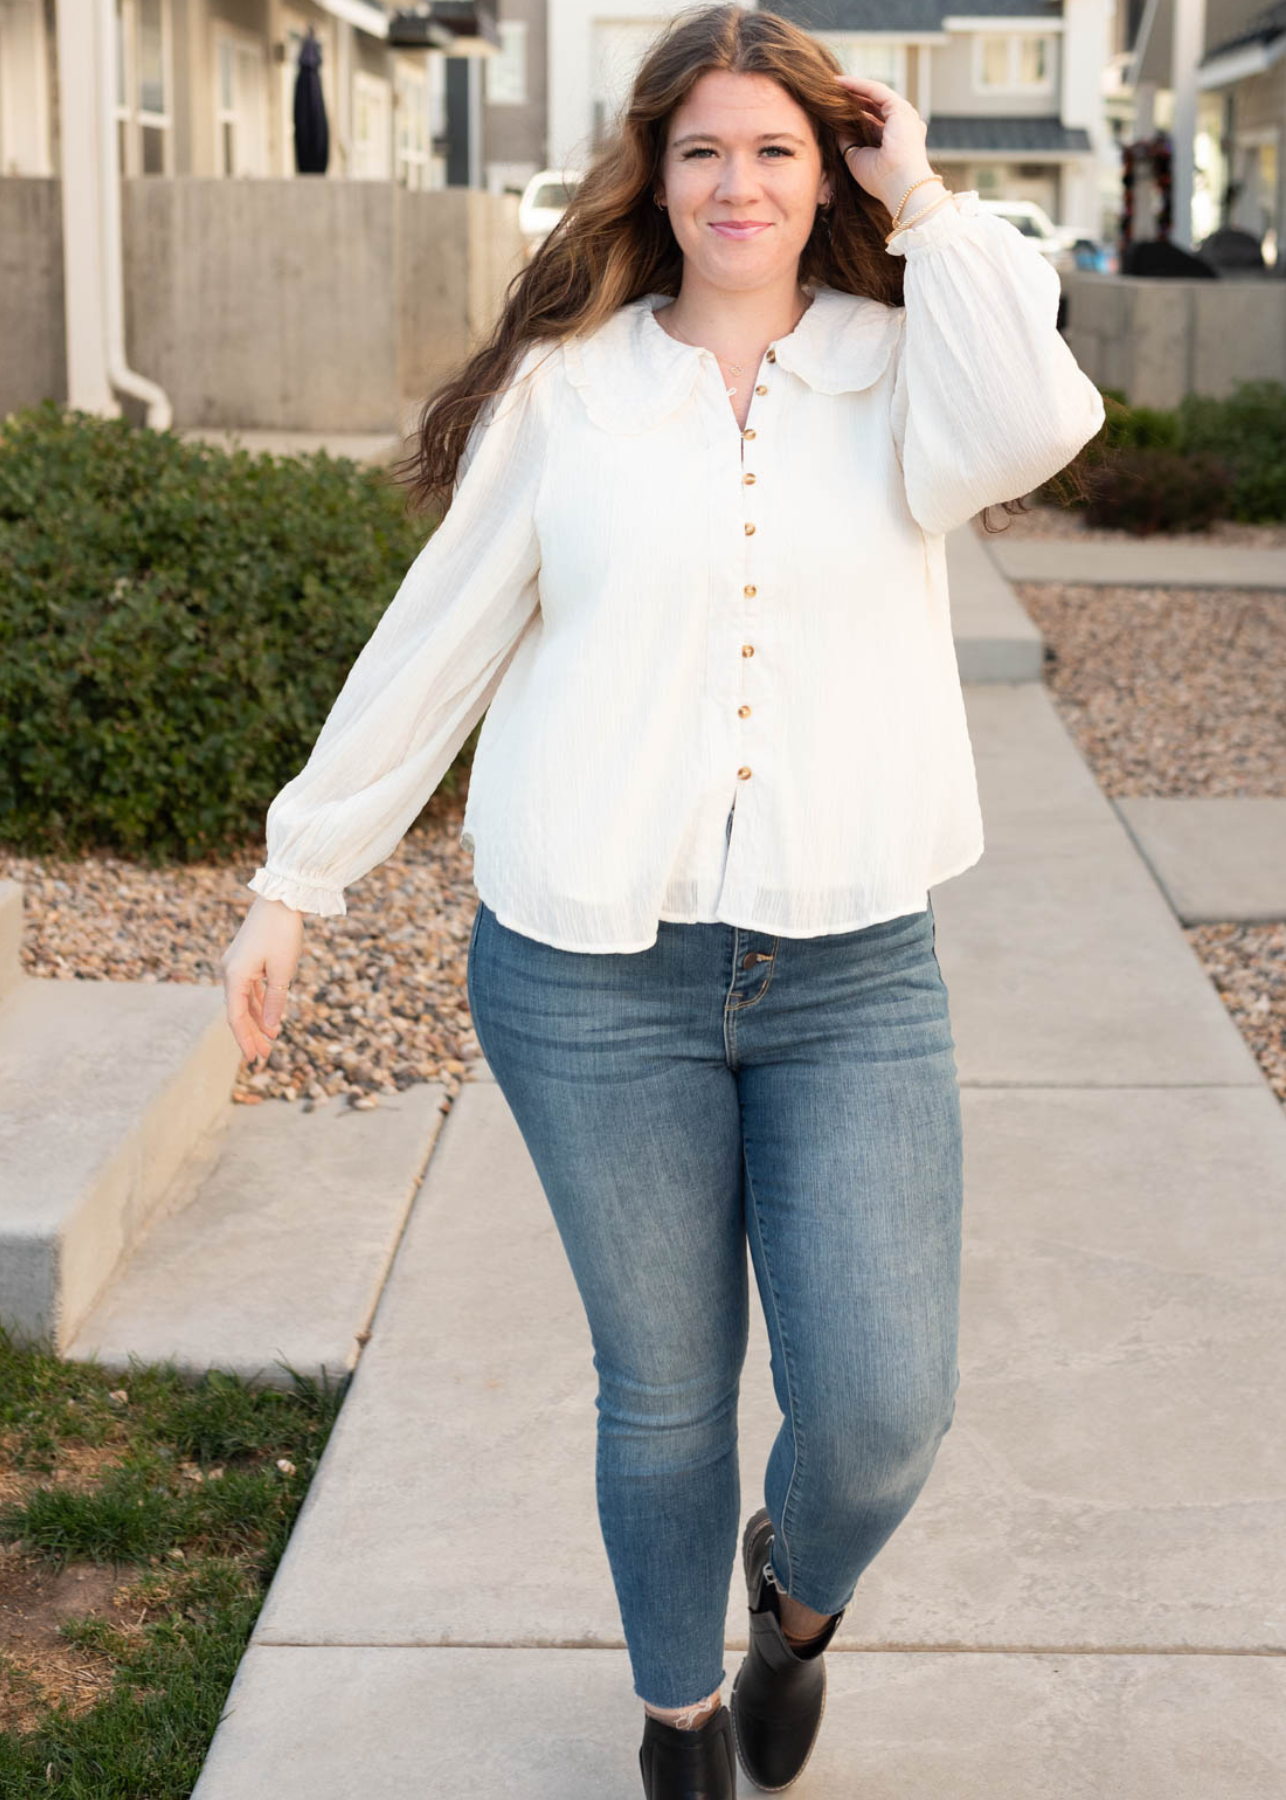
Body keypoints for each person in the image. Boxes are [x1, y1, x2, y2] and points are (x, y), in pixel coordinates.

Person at [221, 8, 1105, 1794]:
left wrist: (920, 188)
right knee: (665, 1388)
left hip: (852, 963)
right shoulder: (572, 389)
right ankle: (675, 1714)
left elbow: (1039, 418)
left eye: (777, 148)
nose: (737, 182)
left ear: (826, 165)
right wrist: (295, 881)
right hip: (586, 975)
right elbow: (441, 636)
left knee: (877, 1409)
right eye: (703, 149)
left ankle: (796, 1597)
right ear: (653, 169)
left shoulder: (901, 363)